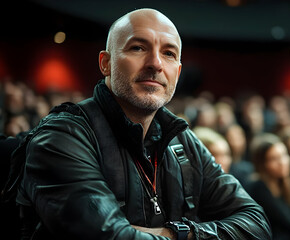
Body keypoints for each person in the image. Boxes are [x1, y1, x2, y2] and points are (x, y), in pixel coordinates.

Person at [14, 9, 271, 240]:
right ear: (106, 63)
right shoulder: (63, 136)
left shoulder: (183, 140)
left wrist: (180, 233)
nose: (156, 64)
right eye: (138, 48)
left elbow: (257, 225)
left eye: (168, 53)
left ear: (178, 74)